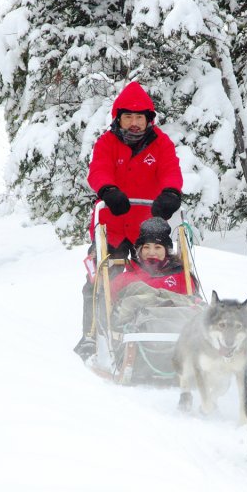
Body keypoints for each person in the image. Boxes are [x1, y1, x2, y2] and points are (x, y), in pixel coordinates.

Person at [74, 81, 183, 360]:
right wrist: (108, 190)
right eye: (129, 117)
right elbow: (98, 170)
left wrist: (170, 192)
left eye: (140, 118)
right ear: (118, 118)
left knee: (157, 277)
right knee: (99, 278)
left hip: (146, 230)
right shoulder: (107, 142)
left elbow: (171, 170)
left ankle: (165, 326)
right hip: (112, 226)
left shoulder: (161, 144)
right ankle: (91, 333)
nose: (134, 123)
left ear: (149, 119)